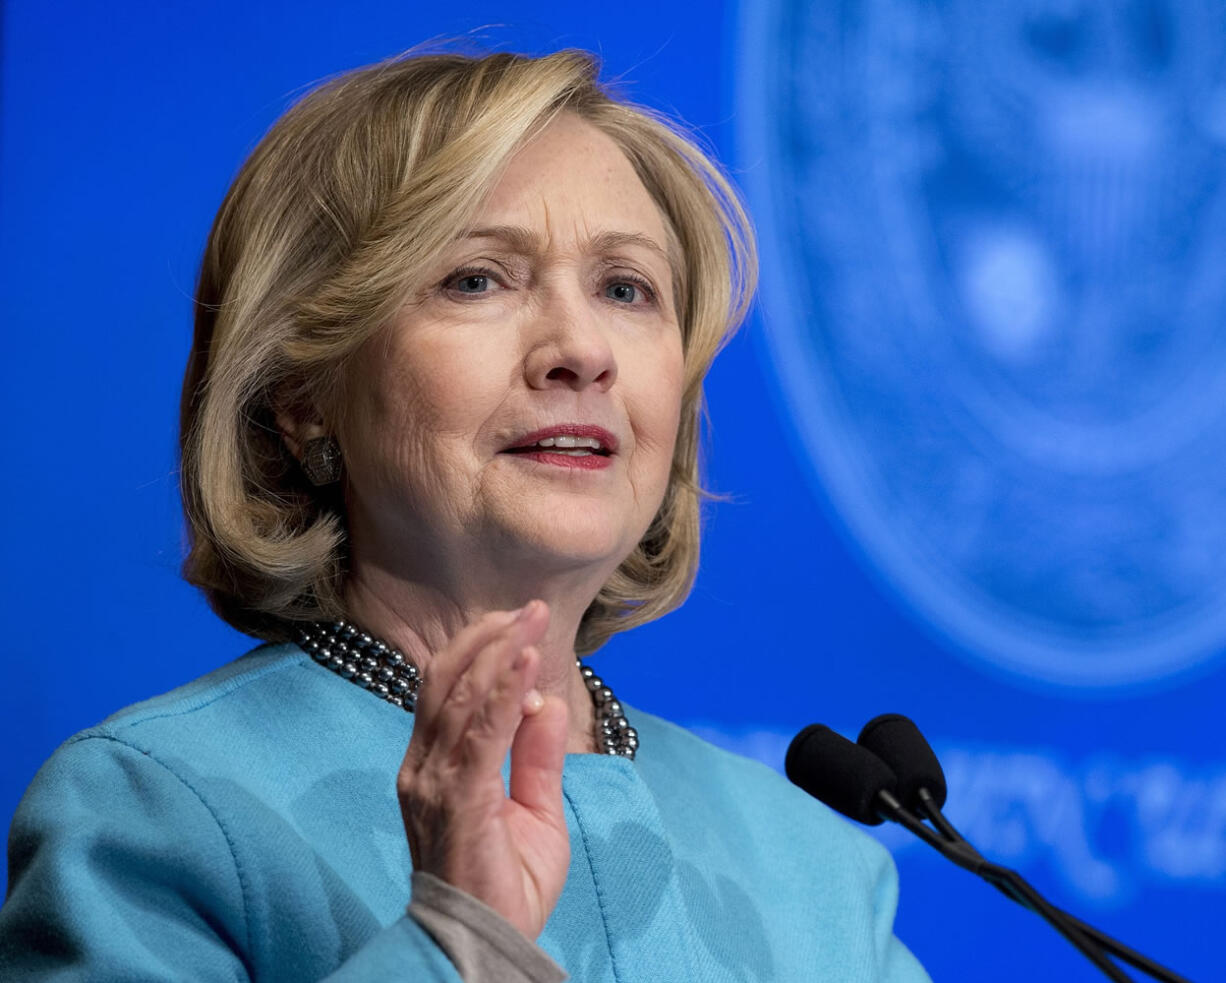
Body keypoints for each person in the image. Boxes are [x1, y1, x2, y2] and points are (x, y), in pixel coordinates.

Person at [0, 47, 931, 981]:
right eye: (477, 278)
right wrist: (455, 943)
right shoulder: (163, 810)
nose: (582, 350)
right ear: (305, 395)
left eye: (625, 288)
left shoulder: (816, 873)